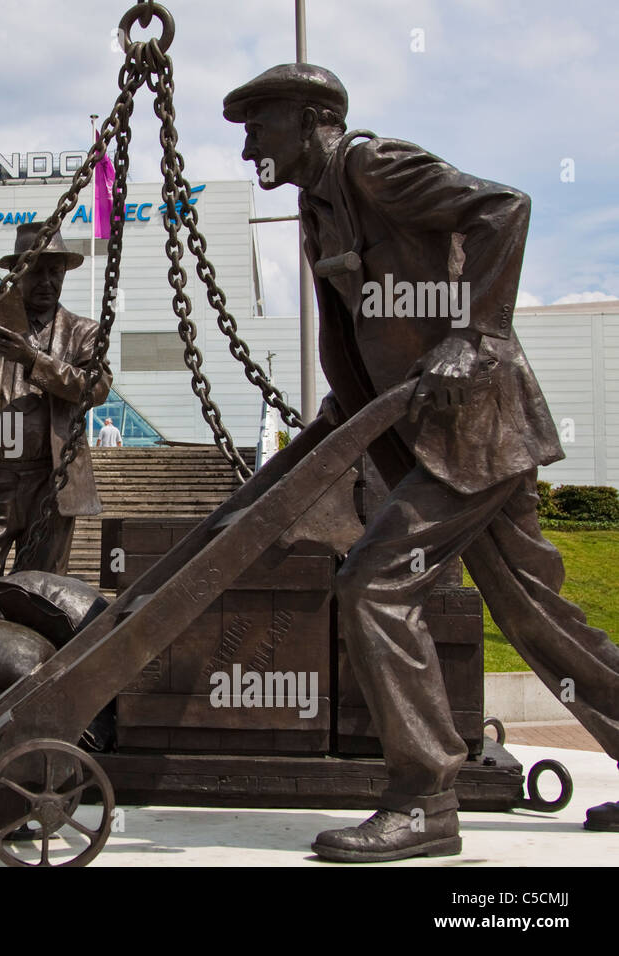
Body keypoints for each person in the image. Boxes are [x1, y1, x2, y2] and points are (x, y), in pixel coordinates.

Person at [224, 63, 619, 861]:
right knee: (538, 614)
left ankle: (424, 799)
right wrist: (347, 407)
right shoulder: (318, 203)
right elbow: (359, 324)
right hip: (434, 437)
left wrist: (475, 334)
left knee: (373, 583)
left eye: (257, 128)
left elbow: (505, 208)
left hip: (473, 427)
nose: (246, 150)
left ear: (309, 120)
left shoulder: (374, 167)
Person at [0, 222, 112, 604]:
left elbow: (96, 387)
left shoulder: (83, 332)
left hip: (50, 480)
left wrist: (34, 360)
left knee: (40, 598)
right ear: (18, 273)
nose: (47, 280)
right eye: (36, 270)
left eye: (55, 271)